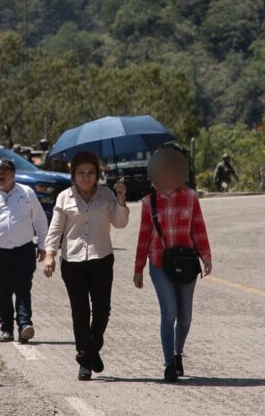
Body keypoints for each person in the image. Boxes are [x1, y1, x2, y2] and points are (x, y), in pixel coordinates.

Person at [44, 151, 129, 381]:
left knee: (102, 312)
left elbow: (120, 223)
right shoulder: (64, 198)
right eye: (81, 173)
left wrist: (121, 200)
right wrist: (50, 254)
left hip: (102, 259)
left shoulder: (107, 195)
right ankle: (85, 359)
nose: (86, 177)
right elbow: (55, 229)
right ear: (73, 175)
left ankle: (92, 350)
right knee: (80, 313)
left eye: (91, 173)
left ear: (97, 175)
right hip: (72, 262)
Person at [133, 146, 212, 382]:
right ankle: (168, 364)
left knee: (185, 316)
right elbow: (144, 236)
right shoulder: (150, 203)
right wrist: (138, 268)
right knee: (169, 313)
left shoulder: (190, 197)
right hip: (159, 262)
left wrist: (206, 256)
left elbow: (198, 227)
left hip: (187, 262)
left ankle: (178, 354)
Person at [0, 158, 48, 344]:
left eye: (4, 172)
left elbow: (39, 220)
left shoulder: (27, 193)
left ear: (13, 174)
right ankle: (6, 329)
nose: (0, 175)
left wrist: (43, 245)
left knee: (23, 289)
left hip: (24, 249)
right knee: (3, 291)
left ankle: (24, 325)